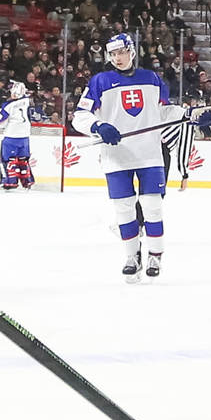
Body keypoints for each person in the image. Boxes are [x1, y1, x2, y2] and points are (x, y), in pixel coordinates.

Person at [72, 32, 182, 280]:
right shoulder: (99, 81)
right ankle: (132, 255)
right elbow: (80, 116)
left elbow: (164, 113)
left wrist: (191, 114)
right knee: (123, 208)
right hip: (116, 155)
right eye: (113, 54)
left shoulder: (151, 79)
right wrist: (98, 127)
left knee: (153, 206)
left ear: (132, 52)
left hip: (149, 153)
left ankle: (155, 254)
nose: (118, 58)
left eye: (122, 52)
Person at [0, 80, 35, 191]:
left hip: (11, 137)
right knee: (23, 160)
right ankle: (27, 180)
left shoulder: (8, 106)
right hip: (25, 137)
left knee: (8, 160)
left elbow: (0, 123)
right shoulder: (27, 101)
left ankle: (9, 182)